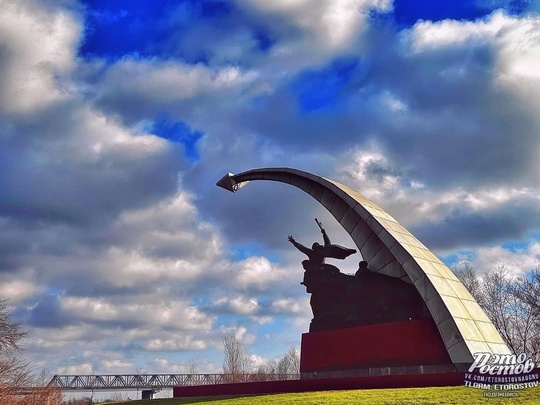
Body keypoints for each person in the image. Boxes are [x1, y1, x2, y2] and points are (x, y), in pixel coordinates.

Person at [287, 218, 356, 265]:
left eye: (317, 245)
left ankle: (346, 252)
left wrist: (324, 233)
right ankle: (346, 252)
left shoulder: (322, 250)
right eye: (316, 246)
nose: (318, 246)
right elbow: (302, 248)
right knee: (331, 248)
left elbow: (327, 243)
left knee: (331, 247)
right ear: (314, 248)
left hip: (327, 260)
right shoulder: (312, 253)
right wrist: (294, 242)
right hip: (317, 267)